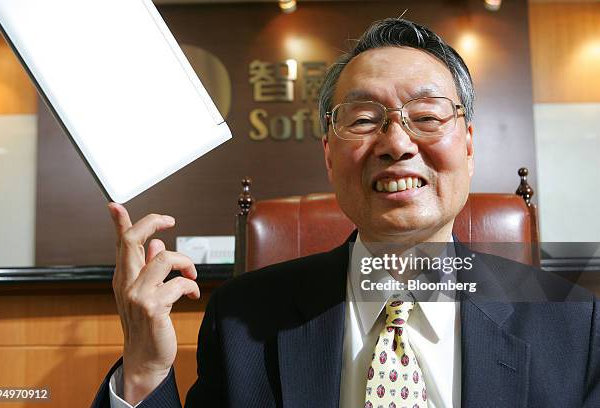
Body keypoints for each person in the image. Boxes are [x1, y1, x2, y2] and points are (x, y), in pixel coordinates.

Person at [92, 18, 600, 408]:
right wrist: (142, 367)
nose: (397, 143)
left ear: (468, 144)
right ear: (329, 154)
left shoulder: (572, 324)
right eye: (363, 119)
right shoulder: (243, 320)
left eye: (425, 117)